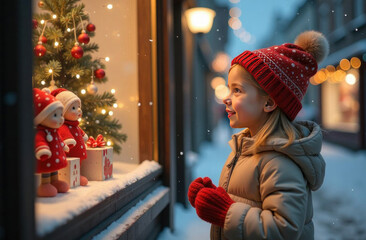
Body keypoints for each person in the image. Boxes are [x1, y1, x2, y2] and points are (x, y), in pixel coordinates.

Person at [188, 31, 328, 240]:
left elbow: (283, 229)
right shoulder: (248, 148)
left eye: (237, 90)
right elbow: (248, 200)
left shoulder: (279, 162)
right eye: (229, 89)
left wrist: (226, 212)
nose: (227, 99)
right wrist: (214, 197)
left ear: (269, 102)